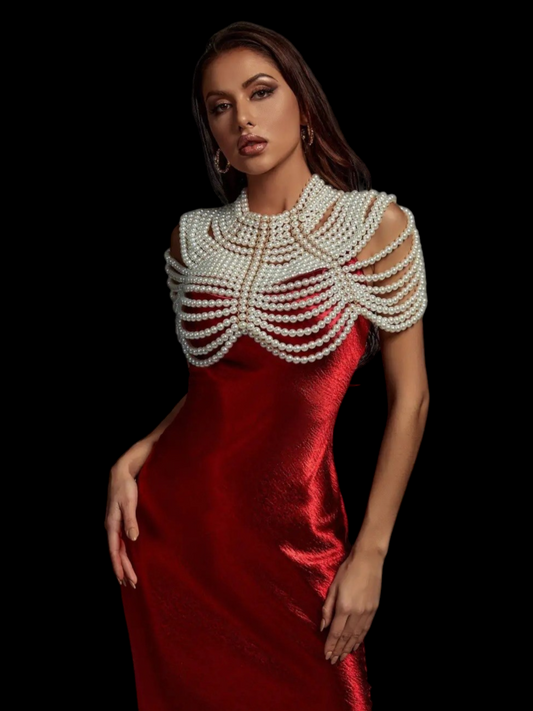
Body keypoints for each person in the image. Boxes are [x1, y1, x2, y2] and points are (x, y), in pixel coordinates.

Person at [105, 20, 429, 710]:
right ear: (211, 131)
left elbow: (412, 399)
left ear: (303, 104)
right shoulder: (192, 239)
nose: (243, 119)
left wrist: (370, 553)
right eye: (220, 106)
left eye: (260, 92)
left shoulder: (374, 224)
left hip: (297, 540)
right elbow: (219, 388)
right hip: (176, 536)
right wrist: (140, 449)